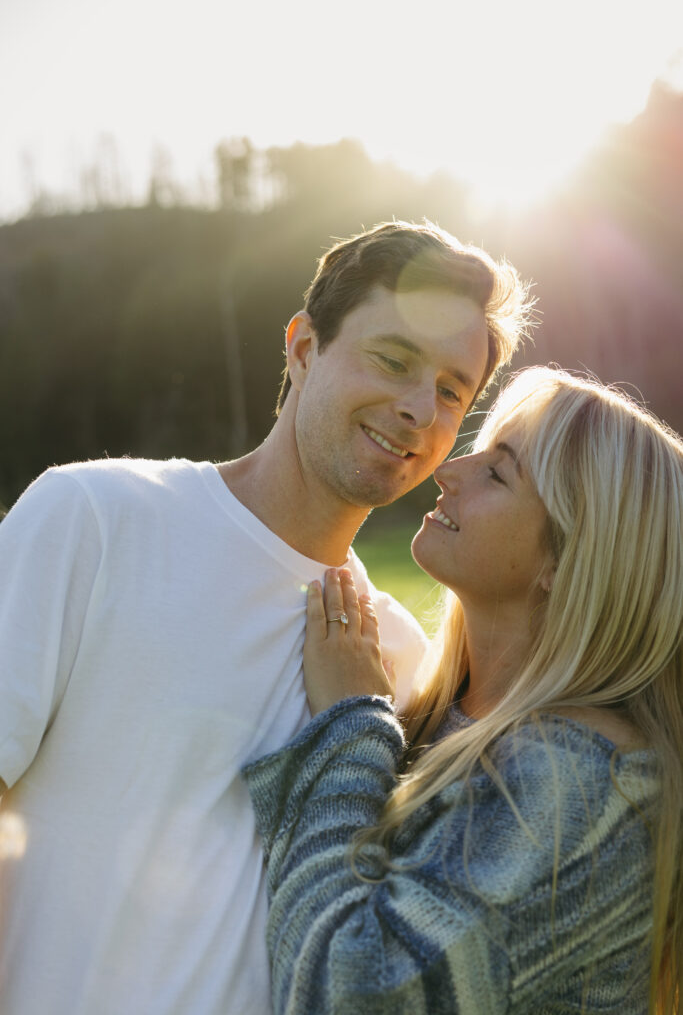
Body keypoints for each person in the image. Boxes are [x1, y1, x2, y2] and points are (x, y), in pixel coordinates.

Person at [0, 221, 532, 1015]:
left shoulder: (397, 661)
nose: (419, 408)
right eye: (392, 360)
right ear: (303, 347)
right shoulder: (94, 519)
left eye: (452, 391)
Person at [243, 366, 683, 1015]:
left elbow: (349, 993)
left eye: (497, 473)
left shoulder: (580, 787)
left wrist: (348, 729)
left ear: (564, 564)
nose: (448, 470)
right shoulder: (453, 717)